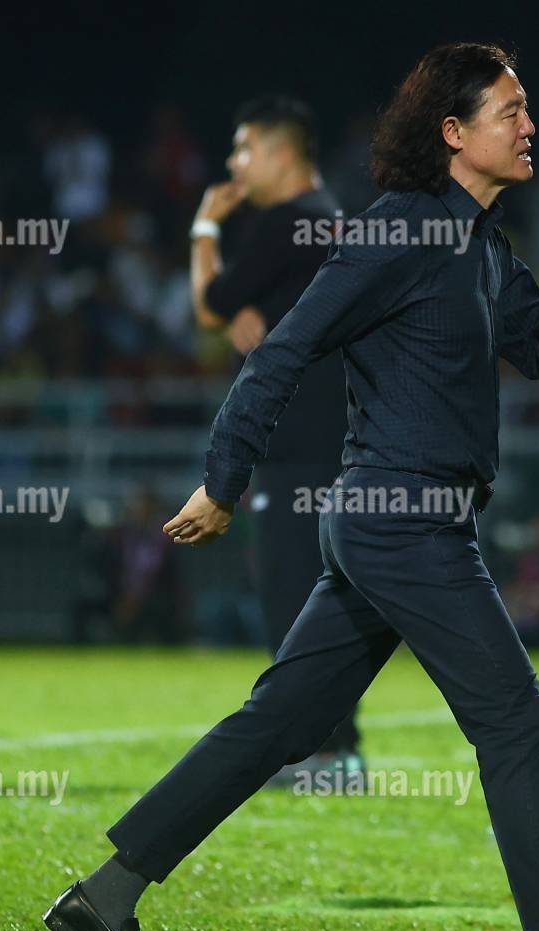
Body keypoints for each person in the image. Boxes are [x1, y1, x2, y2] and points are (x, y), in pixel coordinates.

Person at [44, 43, 539, 931]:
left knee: (281, 724)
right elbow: (283, 350)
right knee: (517, 722)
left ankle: (102, 899)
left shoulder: (481, 244)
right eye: (511, 111)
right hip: (403, 522)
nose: (531, 126)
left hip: (400, 521)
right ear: (453, 132)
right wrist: (224, 479)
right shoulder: (399, 228)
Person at [188, 95, 363, 782]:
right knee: (325, 596)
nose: (234, 164)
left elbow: (209, 306)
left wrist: (205, 226)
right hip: (339, 439)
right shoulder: (331, 220)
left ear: (279, 153)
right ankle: (336, 747)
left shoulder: (291, 221)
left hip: (298, 443)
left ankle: (325, 755)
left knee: (292, 597)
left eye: (243, 149)